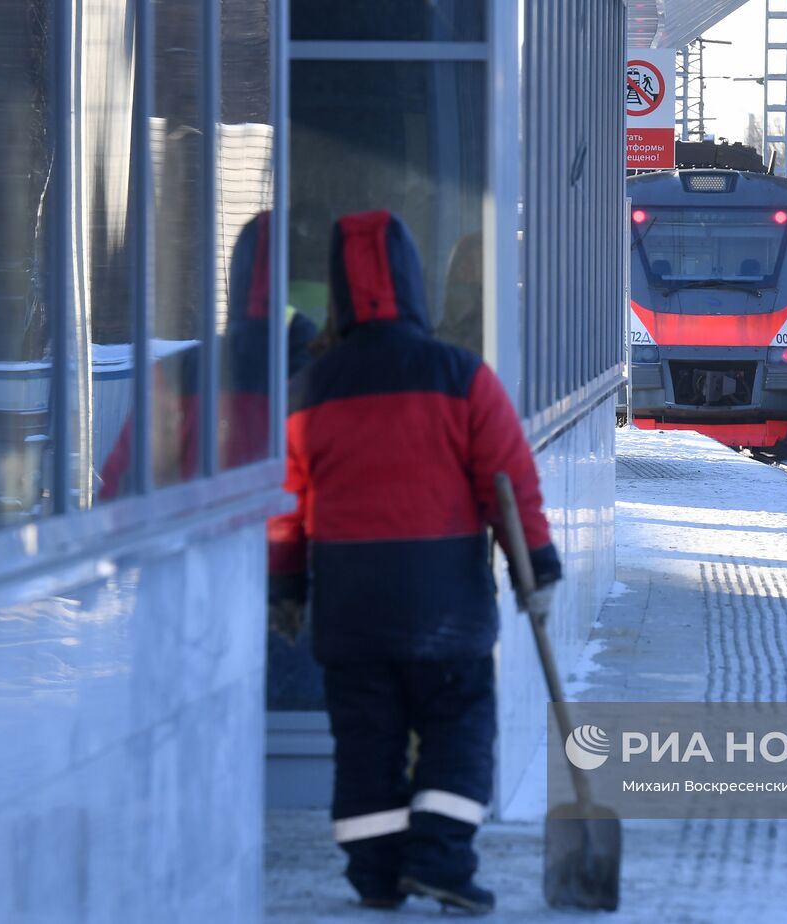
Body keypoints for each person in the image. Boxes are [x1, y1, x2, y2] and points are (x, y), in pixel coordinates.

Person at [268, 210, 561, 914]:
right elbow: (510, 481)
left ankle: (374, 875)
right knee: (458, 731)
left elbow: (285, 501)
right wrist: (539, 571)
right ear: (413, 283)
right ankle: (440, 862)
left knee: (367, 743)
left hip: (350, 608)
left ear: (338, 290)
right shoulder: (461, 375)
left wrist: (286, 586)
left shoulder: (309, 390)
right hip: (444, 608)